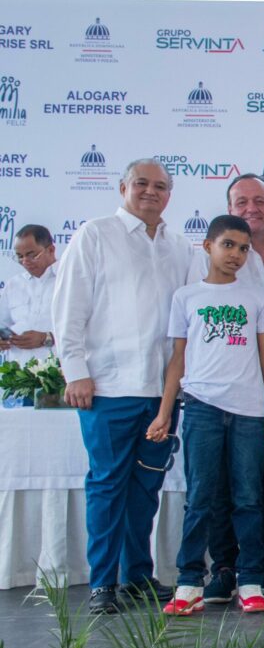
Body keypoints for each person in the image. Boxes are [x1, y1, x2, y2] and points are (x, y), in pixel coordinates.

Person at [52, 158, 193, 614]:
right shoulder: (95, 235)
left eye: (160, 186)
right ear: (122, 188)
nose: (151, 192)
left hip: (161, 393)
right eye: (141, 184)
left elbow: (186, 320)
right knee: (108, 485)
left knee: (146, 489)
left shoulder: (179, 246)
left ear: (169, 194)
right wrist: (75, 370)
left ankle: (136, 577)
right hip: (108, 388)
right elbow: (69, 307)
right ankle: (102, 583)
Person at [149, 215, 264, 615]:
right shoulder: (186, 297)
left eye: (243, 248)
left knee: (249, 499)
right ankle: (189, 582)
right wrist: (165, 413)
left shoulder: (255, 295)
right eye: (228, 245)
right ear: (207, 246)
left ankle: (250, 581)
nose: (236, 254)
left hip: (248, 411)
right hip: (202, 407)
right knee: (200, 498)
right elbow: (178, 359)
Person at [193, 174, 264, 604]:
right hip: (221, 391)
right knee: (219, 486)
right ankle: (223, 567)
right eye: (241, 202)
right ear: (229, 209)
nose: (251, 208)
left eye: (259, 201)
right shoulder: (209, 260)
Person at [0, 224, 57, 366]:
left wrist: (47, 338)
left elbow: (91, 328)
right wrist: (2, 338)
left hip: (61, 372)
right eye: (20, 256)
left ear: (51, 250)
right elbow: (3, 324)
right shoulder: (13, 284)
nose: (25, 261)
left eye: (32, 255)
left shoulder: (70, 280)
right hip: (18, 372)